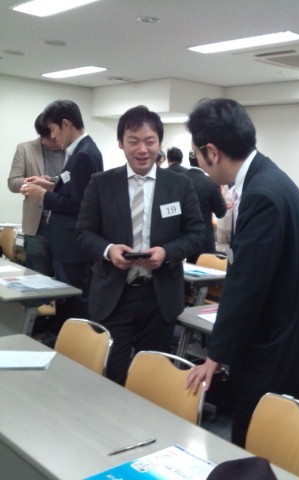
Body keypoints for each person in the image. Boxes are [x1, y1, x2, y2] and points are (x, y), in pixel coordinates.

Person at [184, 99, 299, 447]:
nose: (198, 162)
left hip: (283, 340)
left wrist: (215, 355)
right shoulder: (267, 177)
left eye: (196, 154)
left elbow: (247, 284)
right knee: (270, 437)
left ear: (212, 152)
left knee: (254, 439)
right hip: (288, 328)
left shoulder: (261, 193)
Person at [75, 105, 204, 384]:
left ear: (160, 144)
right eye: (133, 141)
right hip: (114, 294)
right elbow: (83, 233)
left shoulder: (179, 185)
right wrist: (109, 251)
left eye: (150, 141)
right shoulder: (101, 183)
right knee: (111, 374)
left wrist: (166, 253)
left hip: (160, 296)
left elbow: (196, 234)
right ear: (121, 143)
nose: (142, 149)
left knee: (152, 377)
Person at [20, 100, 103, 321]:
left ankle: (72, 339)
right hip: (67, 243)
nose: (52, 136)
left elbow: (79, 204)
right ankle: (62, 334)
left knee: (75, 301)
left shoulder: (84, 154)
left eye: (53, 129)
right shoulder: (80, 151)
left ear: (65, 124)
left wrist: (42, 195)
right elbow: (73, 189)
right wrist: (50, 185)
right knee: (67, 299)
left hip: (73, 246)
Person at [7, 113, 65, 275]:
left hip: (65, 224)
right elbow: (12, 182)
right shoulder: (25, 149)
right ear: (41, 136)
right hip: (38, 226)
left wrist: (52, 184)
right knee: (36, 277)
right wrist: (33, 182)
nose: (53, 140)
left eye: (55, 136)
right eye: (48, 138)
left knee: (64, 279)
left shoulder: (72, 150)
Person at [183, 148, 227, 261]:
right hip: (204, 239)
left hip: (180, 239)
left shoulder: (178, 180)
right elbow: (220, 212)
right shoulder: (211, 182)